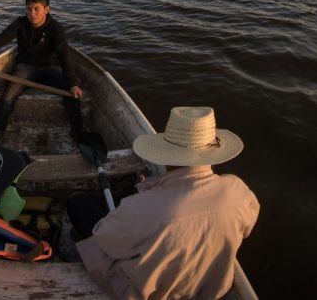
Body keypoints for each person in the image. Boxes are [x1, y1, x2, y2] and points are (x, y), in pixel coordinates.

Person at [69, 106, 259, 300]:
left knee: (79, 203)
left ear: (167, 155)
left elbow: (104, 237)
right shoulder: (239, 191)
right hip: (211, 290)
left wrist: (146, 198)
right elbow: (245, 228)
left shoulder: (140, 208)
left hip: (151, 294)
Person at [0, 0, 83, 141]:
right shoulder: (20, 24)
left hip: (49, 69)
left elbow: (63, 54)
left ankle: (78, 132)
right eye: (29, 9)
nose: (32, 13)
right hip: (25, 67)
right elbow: (1, 39)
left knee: (72, 91)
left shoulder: (55, 28)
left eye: (37, 9)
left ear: (47, 10)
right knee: (8, 96)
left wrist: (73, 83)